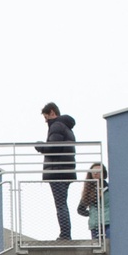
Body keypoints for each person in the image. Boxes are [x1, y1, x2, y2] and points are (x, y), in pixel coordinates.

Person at [38, 102, 77, 239]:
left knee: (60, 205)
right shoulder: (66, 127)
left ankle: (65, 235)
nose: (45, 121)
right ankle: (66, 234)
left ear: (52, 113)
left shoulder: (56, 126)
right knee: (62, 204)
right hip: (66, 171)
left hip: (57, 171)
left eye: (46, 117)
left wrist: (40, 146)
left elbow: (53, 148)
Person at [76, 162, 111, 243]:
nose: (95, 173)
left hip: (109, 223)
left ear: (103, 173)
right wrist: (91, 213)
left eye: (98, 171)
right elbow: (80, 209)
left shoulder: (109, 188)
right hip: (95, 225)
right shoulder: (89, 190)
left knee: (110, 245)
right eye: (93, 172)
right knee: (97, 247)